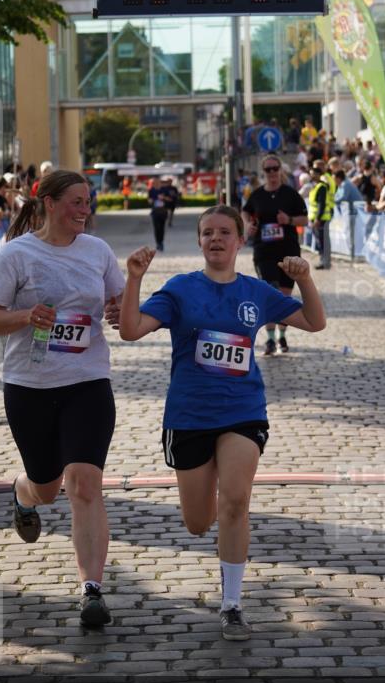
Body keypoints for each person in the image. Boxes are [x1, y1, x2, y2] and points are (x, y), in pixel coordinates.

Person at [119, 205, 326, 640]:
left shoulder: (256, 292)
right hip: (189, 415)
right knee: (198, 522)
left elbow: (314, 321)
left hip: (243, 410)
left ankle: (232, 605)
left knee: (236, 499)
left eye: (225, 232)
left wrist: (305, 278)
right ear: (199, 241)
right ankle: (208, 496)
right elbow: (131, 329)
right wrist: (134, 277)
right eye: (208, 232)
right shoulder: (180, 290)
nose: (216, 239)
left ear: (240, 240)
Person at [0, 170, 125, 629]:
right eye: (76, 202)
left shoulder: (98, 251)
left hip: (87, 382)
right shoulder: (16, 255)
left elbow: (119, 303)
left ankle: (91, 591)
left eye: (88, 202)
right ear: (47, 202)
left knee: (83, 483)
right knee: (47, 486)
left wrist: (121, 310)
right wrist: (27, 316)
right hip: (29, 387)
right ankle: (22, 493)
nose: (84, 210)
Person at [242, 154, 308, 355]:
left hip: (288, 251)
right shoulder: (257, 195)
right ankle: (270, 340)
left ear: (281, 170)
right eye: (268, 169)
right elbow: (245, 212)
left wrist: (288, 220)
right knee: (270, 292)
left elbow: (305, 220)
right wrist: (248, 224)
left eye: (275, 168)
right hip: (264, 251)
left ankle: (282, 335)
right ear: (264, 173)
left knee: (284, 296)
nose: (272, 173)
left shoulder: (291, 194)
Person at [307, 163, 334, 269]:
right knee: (320, 241)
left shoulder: (321, 187)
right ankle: (323, 261)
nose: (311, 176)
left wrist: (318, 219)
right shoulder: (316, 186)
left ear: (318, 174)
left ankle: (325, 262)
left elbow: (321, 204)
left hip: (321, 219)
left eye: (313, 174)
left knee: (323, 241)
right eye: (310, 174)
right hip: (317, 218)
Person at [148, 176, 171, 251]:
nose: (156, 183)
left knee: (162, 228)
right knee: (156, 228)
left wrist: (163, 198)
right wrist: (152, 200)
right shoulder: (151, 190)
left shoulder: (164, 190)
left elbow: (170, 199)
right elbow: (149, 200)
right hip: (155, 211)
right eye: (154, 182)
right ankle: (157, 242)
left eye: (157, 182)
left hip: (163, 211)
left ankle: (161, 242)